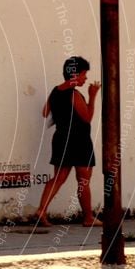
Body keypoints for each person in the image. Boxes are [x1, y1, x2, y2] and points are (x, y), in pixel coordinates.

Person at [35, 56, 102, 227]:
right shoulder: (73, 94)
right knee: (83, 180)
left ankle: (41, 210)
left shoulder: (56, 91)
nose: (85, 78)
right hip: (79, 141)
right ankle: (88, 217)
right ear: (74, 75)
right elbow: (87, 117)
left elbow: (45, 112)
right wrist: (92, 96)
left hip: (61, 138)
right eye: (83, 74)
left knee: (58, 178)